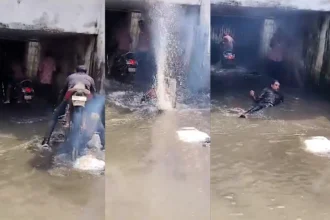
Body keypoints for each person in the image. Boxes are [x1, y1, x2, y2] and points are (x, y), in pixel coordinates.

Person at [41, 65, 96, 146]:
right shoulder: (90, 78)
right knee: (90, 115)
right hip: (84, 97)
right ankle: (92, 139)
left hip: (71, 96)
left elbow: (63, 91)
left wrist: (59, 103)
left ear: (76, 71)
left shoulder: (71, 77)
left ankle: (46, 141)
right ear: (85, 72)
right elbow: (94, 92)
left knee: (55, 115)